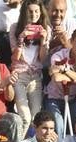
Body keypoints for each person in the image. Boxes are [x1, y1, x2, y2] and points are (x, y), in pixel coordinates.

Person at [46, 25, 76, 141]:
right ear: (71, 42)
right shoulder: (59, 55)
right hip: (54, 97)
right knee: (58, 125)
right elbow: (57, 78)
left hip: (73, 98)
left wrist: (65, 70)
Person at [9, 0, 51, 134]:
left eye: (36, 11)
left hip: (35, 77)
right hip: (19, 76)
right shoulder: (15, 28)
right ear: (24, 12)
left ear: (41, 12)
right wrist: (21, 38)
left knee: (36, 117)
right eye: (30, 11)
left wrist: (43, 41)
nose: (33, 15)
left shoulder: (46, 28)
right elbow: (15, 58)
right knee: (25, 117)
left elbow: (43, 59)